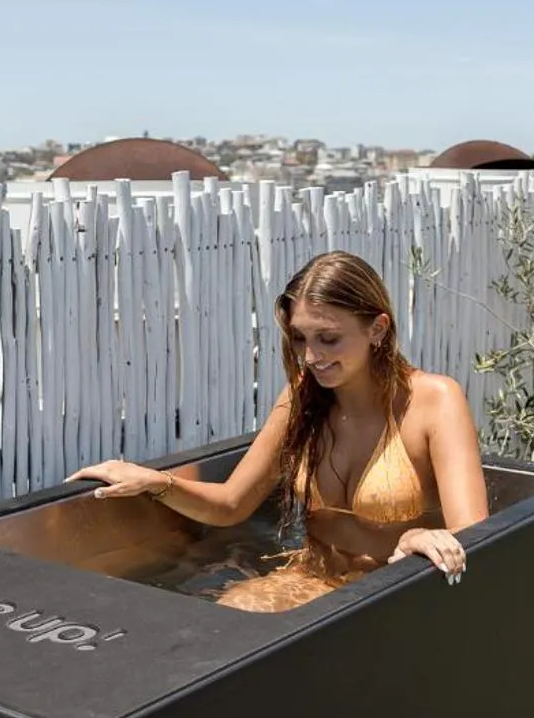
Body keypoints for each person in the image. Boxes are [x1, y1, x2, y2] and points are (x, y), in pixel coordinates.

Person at [66, 250, 488, 612]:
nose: (311, 356)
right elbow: (230, 505)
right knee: (236, 612)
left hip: (394, 592)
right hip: (314, 577)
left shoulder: (435, 400)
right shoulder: (301, 399)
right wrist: (156, 481)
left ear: (377, 328)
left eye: (329, 338)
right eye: (300, 338)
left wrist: (419, 536)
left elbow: (478, 535)